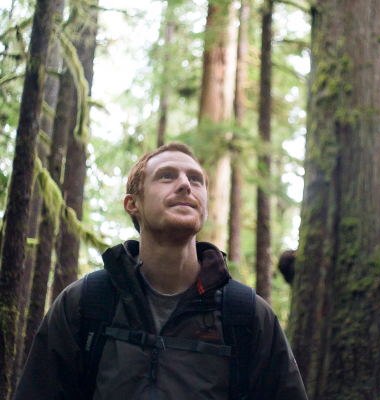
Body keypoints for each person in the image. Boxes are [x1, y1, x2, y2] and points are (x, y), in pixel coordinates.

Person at [14, 142, 307, 400]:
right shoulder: (86, 303)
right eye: (167, 176)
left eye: (196, 179)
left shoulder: (246, 315)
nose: (185, 185)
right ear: (133, 204)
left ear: (204, 206)